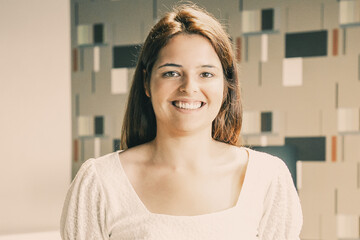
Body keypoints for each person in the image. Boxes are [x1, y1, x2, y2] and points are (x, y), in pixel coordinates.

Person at [60, 3, 303, 240]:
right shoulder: (99, 182)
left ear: (226, 85)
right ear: (146, 82)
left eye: (206, 74)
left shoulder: (268, 177)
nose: (189, 87)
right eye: (171, 73)